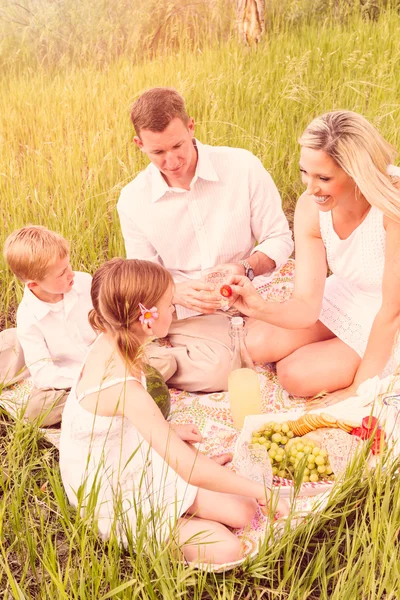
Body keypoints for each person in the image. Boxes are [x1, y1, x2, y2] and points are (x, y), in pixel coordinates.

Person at [59, 258, 289, 565]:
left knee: (243, 510)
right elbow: (188, 466)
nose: (174, 310)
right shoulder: (122, 385)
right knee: (227, 548)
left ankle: (184, 501)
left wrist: (166, 433)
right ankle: (159, 530)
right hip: (109, 494)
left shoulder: (120, 335)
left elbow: (114, 421)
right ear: (147, 318)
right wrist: (263, 491)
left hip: (124, 455)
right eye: (170, 304)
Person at [117, 87, 293, 392]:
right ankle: (164, 360)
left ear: (191, 127)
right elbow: (145, 276)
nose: (172, 161)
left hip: (256, 291)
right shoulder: (132, 200)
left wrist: (244, 268)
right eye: (158, 152)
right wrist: (176, 292)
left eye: (178, 146)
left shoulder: (242, 166)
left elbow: (279, 238)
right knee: (220, 371)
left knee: (316, 323)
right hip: (191, 311)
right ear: (139, 144)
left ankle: (233, 349)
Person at [227, 110, 400, 401]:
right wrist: (257, 307)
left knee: (296, 376)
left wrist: (358, 389)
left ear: (357, 173)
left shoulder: (392, 207)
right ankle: (336, 346)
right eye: (304, 172)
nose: (310, 189)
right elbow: (306, 305)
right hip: (352, 291)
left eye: (323, 177)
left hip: (392, 312)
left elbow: (392, 311)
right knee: (254, 343)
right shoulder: (312, 206)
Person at [1, 226, 96, 425]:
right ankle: (99, 401)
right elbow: (44, 374)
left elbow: (106, 323)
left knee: (162, 362)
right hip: (68, 381)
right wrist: (86, 376)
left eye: (68, 266)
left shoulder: (84, 282)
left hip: (105, 360)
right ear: (33, 284)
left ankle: (98, 401)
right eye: (61, 273)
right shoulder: (29, 317)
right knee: (37, 410)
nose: (71, 274)